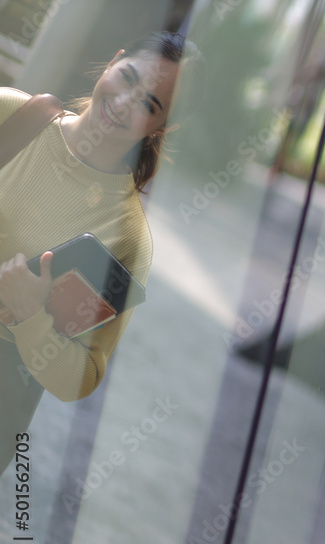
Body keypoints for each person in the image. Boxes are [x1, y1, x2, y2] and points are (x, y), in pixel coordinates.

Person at [0, 32, 203, 472]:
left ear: (160, 126)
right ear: (112, 61)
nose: (126, 101)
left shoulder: (127, 237)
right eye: (127, 77)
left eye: (149, 104)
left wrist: (32, 319)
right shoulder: (11, 113)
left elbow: (83, 378)